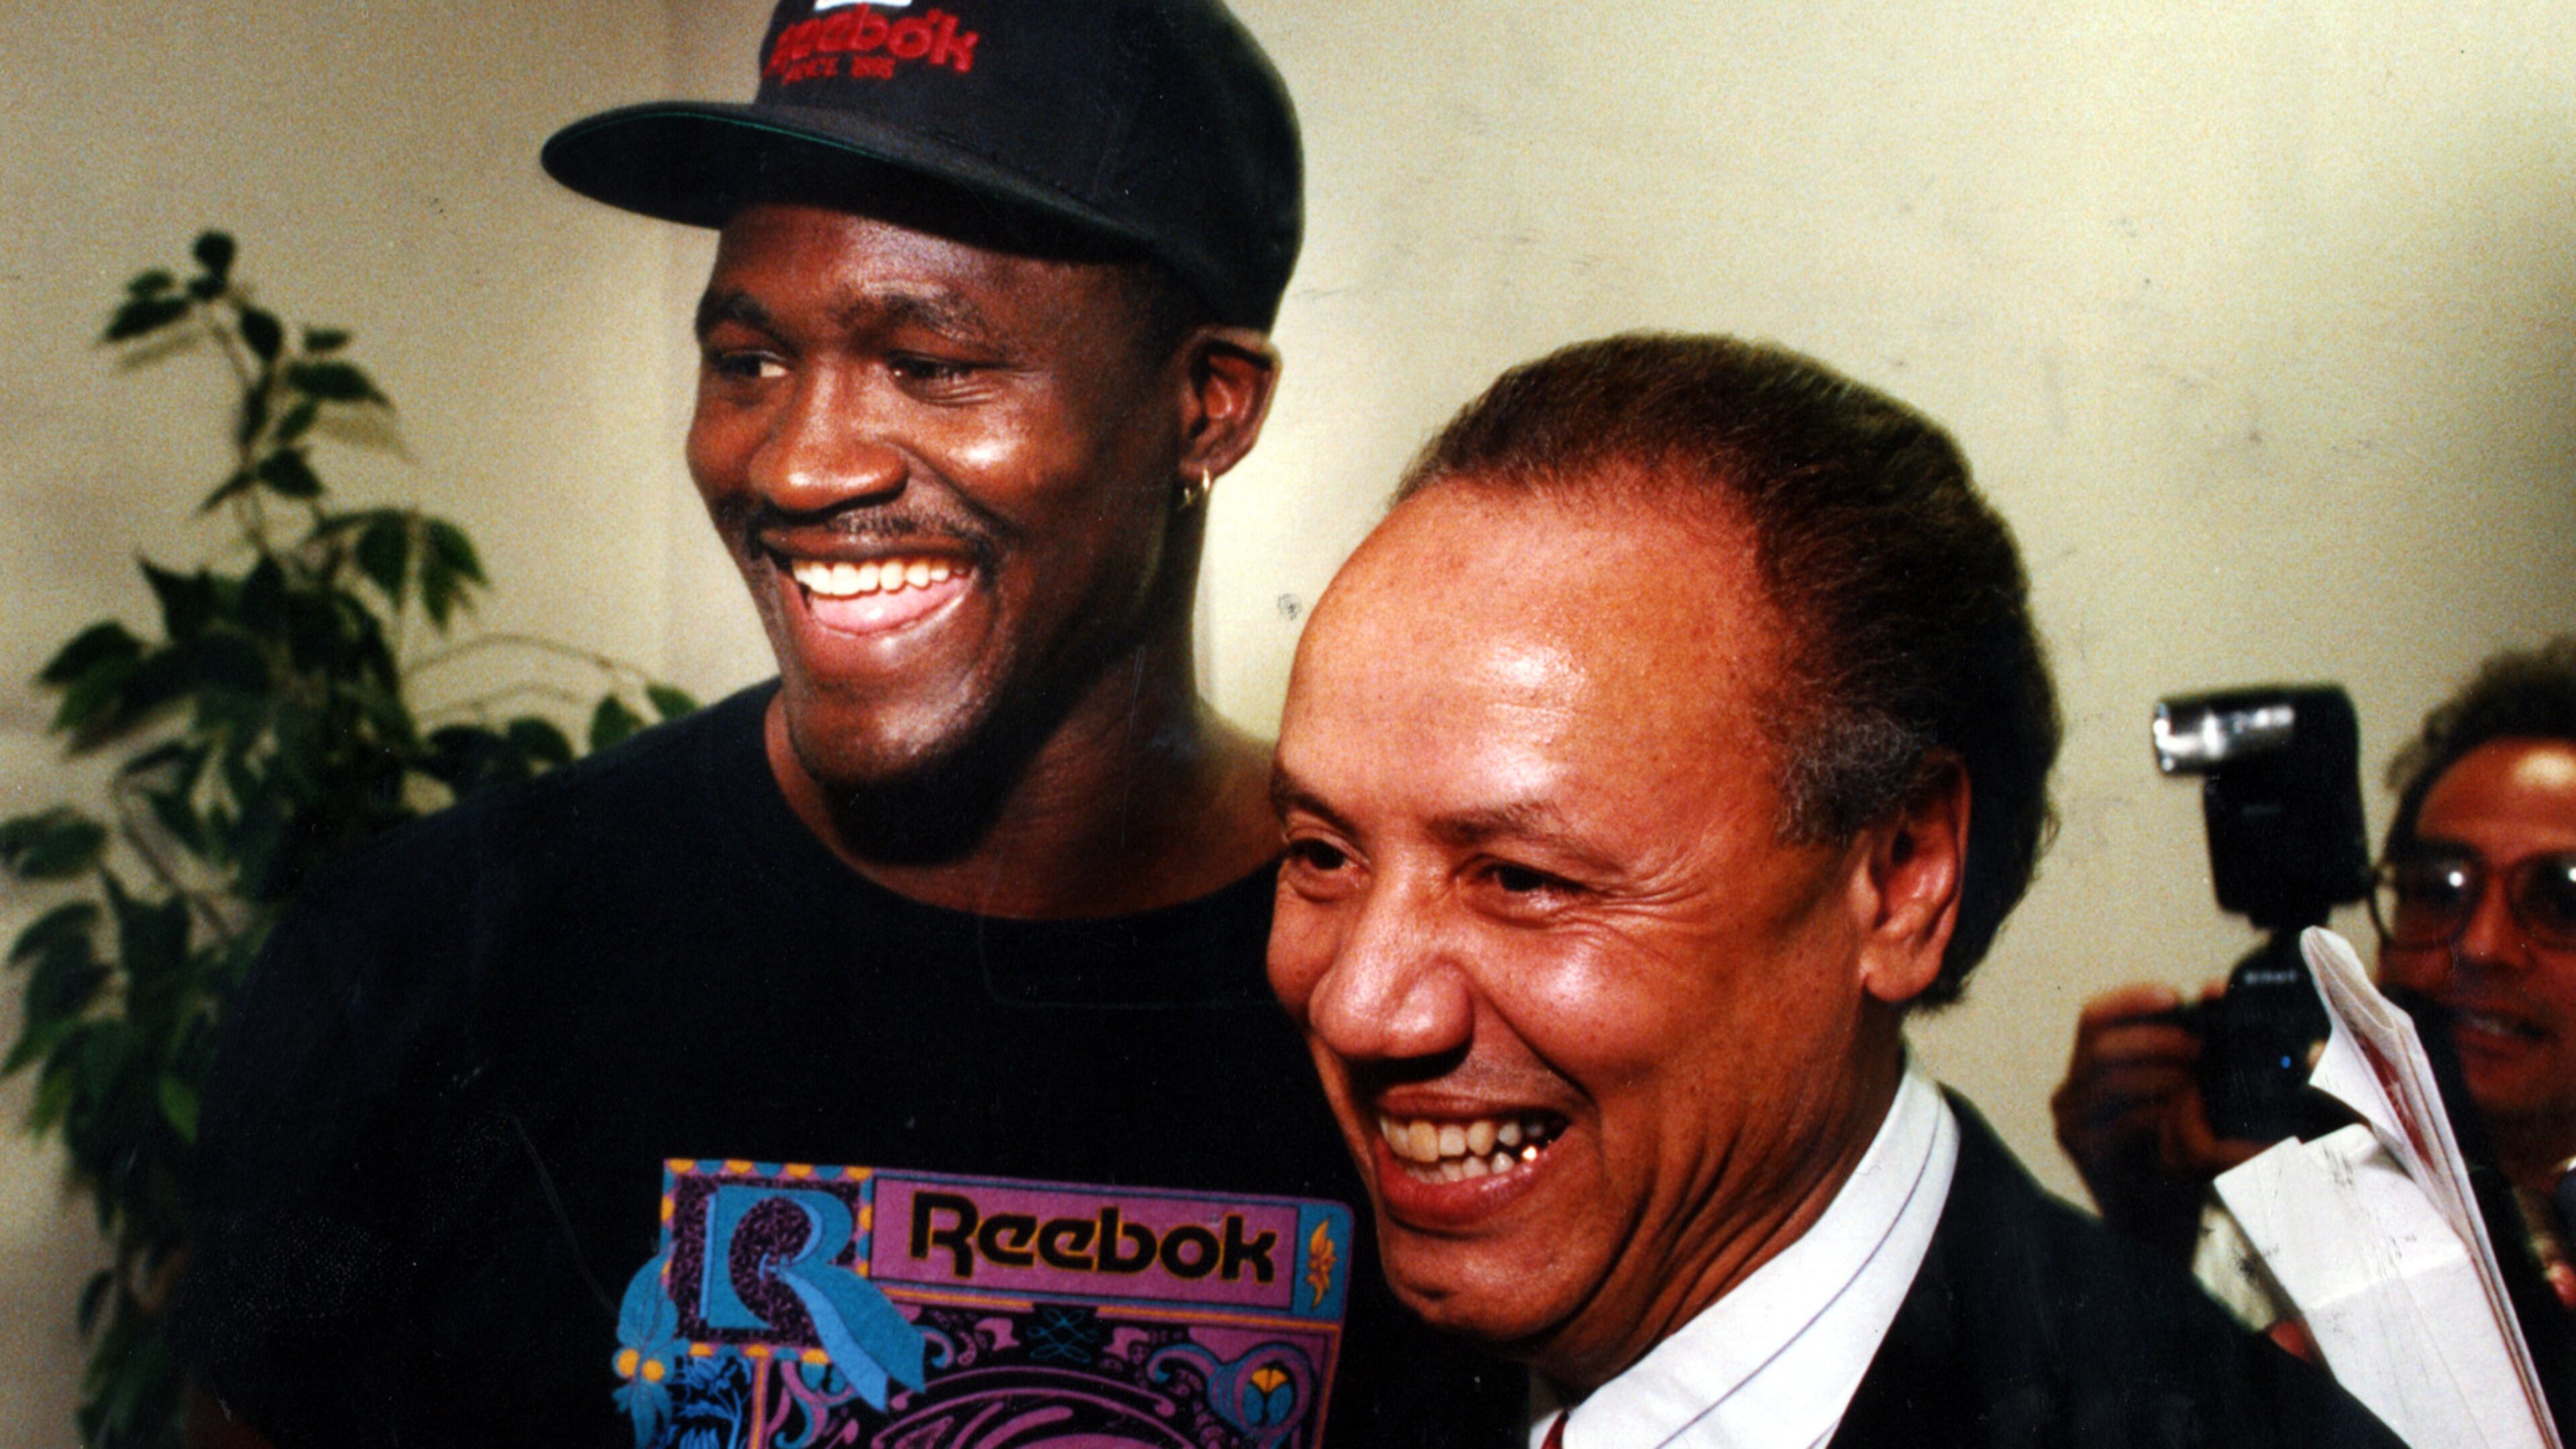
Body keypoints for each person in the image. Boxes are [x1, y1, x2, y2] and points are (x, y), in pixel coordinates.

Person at [173, 2, 1517, 1445]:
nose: (801, 466)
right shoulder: (430, 954)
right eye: (748, 361)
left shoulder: (1424, 1017)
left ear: (1207, 407)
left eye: (934, 364)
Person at [1263, 333, 2406, 1447]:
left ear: (1903, 877)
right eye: (1322, 854)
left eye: (1521, 879)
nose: (1360, 1007)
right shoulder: (1294, 1377)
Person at [2056, 638, 2576, 1263]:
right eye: (2438, 892)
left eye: (2561, 901)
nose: (2484, 946)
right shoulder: (2301, 1190)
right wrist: (2153, 1225)